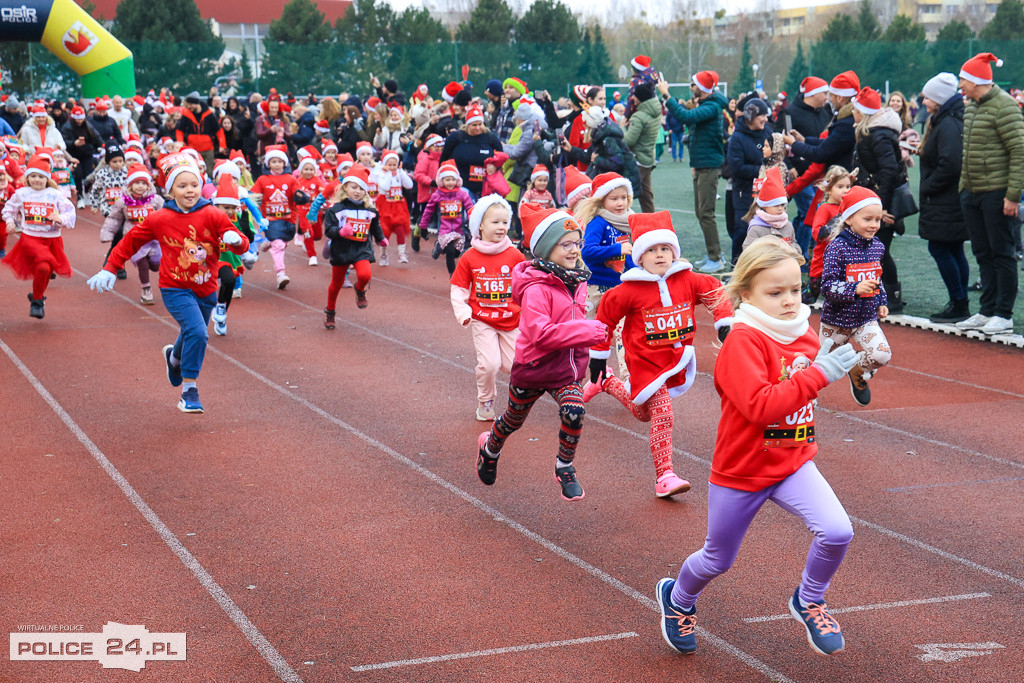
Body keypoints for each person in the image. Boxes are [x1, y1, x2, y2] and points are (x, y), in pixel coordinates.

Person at [655, 237, 860, 658]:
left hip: (793, 463)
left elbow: (809, 382)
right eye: (775, 292)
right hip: (742, 472)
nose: (789, 301)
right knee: (717, 559)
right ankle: (678, 599)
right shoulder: (743, 342)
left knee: (838, 530)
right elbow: (759, 407)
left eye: (795, 290)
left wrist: (855, 365)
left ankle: (809, 599)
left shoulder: (803, 332)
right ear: (745, 293)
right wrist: (820, 373)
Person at [584, 211, 734, 498]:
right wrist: (599, 355)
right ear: (639, 256)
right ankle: (665, 475)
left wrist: (724, 324)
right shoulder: (627, 291)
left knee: (643, 413)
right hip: (645, 362)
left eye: (665, 248)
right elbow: (604, 321)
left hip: (676, 360)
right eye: (651, 250)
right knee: (663, 414)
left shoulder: (688, 279)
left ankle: (606, 383)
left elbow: (716, 292)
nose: (660, 255)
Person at [87, 153, 250, 414]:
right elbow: (129, 242)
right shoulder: (159, 218)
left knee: (192, 331)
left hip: (207, 288)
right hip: (175, 288)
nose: (190, 190)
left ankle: (174, 357)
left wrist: (234, 238)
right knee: (198, 332)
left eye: (194, 185)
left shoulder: (214, 214)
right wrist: (109, 268)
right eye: (182, 186)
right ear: (170, 189)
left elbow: (243, 242)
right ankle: (189, 392)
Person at [475, 204, 608, 501]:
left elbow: (579, 324)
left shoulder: (578, 280)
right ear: (546, 250)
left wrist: (596, 350)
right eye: (566, 245)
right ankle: (490, 447)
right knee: (513, 420)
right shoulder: (537, 288)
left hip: (567, 371)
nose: (574, 251)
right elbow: (540, 333)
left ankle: (564, 466)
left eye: (578, 243)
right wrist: (589, 332)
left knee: (574, 411)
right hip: (534, 368)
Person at [956, 53, 1024, 336]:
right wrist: (963, 188)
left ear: (974, 81)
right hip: (972, 192)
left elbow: (1019, 151)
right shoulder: (971, 107)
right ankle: (986, 310)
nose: (960, 86)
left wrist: (1012, 196)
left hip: (997, 193)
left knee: (1002, 252)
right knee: (983, 251)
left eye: (963, 80)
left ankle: (1004, 314)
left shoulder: (1005, 107)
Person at [450, 196, 527, 421]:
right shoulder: (469, 257)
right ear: (480, 225)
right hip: (482, 319)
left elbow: (526, 285)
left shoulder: (515, 255)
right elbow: (458, 288)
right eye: (495, 222)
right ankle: (485, 402)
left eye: (505, 222)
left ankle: (516, 397)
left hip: (512, 319)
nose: (501, 227)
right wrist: (465, 314)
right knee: (489, 364)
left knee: (517, 365)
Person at [819, 186, 892, 406]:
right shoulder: (837, 248)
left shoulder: (878, 247)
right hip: (836, 320)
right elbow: (827, 287)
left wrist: (881, 301)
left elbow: (877, 279)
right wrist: (854, 289)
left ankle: (857, 370)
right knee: (820, 366)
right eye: (867, 218)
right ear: (849, 219)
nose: (874, 225)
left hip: (865, 318)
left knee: (882, 356)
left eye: (878, 219)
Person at [656, 71, 729, 273]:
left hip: (708, 166)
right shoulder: (708, 105)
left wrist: (667, 96)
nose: (691, 87)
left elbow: (684, 117)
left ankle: (716, 257)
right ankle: (713, 254)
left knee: (706, 213)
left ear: (703, 88)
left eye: (694, 84)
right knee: (701, 212)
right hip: (701, 164)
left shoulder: (711, 106)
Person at [916, 73, 970, 324]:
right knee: (952, 248)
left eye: (927, 96)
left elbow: (950, 164)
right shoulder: (947, 120)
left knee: (940, 247)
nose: (924, 101)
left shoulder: (947, 124)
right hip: (948, 199)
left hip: (944, 199)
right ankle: (959, 302)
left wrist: (928, 186)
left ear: (938, 98)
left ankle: (958, 301)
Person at [850, 86, 906, 313]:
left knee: (880, 250)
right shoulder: (873, 132)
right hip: (874, 198)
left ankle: (893, 297)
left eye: (855, 109)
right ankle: (885, 294)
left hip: (880, 201)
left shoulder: (878, 135)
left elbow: (889, 171)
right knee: (876, 249)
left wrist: (879, 208)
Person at [2, 156, 77, 319]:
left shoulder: (55, 194)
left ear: (47, 178)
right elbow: (9, 209)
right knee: (43, 267)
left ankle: (37, 296)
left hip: (53, 239)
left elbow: (69, 212)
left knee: (46, 271)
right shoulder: (22, 193)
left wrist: (60, 219)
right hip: (31, 238)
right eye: (33, 176)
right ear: (27, 177)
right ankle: (37, 302)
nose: (37, 180)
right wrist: (9, 221)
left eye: (41, 176)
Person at [578, 173, 635, 379]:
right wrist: (616, 249)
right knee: (589, 332)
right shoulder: (598, 222)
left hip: (621, 288)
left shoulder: (631, 220)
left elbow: (633, 254)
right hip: (596, 287)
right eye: (614, 198)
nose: (620, 203)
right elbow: (587, 252)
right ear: (602, 200)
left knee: (623, 331)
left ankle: (629, 377)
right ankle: (576, 372)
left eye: (623, 198)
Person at [322, 165, 386, 325]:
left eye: (361, 188)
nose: (357, 191)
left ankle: (359, 289)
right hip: (341, 249)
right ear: (345, 188)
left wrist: (380, 238)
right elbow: (329, 230)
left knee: (365, 275)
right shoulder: (336, 209)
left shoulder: (369, 210)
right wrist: (340, 232)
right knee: (336, 284)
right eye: (354, 187)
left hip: (361, 248)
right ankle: (330, 310)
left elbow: (375, 225)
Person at [100, 164, 164, 305]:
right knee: (143, 264)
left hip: (153, 239)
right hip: (133, 239)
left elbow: (166, 216)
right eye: (137, 183)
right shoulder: (122, 202)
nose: (140, 186)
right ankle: (146, 289)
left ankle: (154, 269)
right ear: (130, 185)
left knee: (155, 265)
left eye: (143, 183)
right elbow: (114, 218)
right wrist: (107, 233)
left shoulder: (156, 200)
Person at [783, 77, 833, 256]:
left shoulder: (826, 111)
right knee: (808, 212)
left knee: (807, 214)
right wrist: (789, 165)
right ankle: (801, 255)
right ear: (813, 94)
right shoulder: (790, 112)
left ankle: (794, 246)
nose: (827, 97)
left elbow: (823, 141)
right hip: (801, 172)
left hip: (820, 172)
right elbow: (783, 140)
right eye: (824, 93)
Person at [210, 173, 259, 336]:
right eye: (226, 207)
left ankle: (222, 309)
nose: (230, 211)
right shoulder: (208, 217)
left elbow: (249, 239)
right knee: (203, 290)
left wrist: (246, 229)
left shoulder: (239, 218)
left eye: (233, 207)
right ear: (216, 205)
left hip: (228, 259)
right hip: (207, 259)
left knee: (229, 281)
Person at [249, 144, 304, 289]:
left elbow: (298, 194)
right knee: (279, 244)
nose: (277, 164)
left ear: (284, 163)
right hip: (270, 220)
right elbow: (253, 196)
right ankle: (281, 274)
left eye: (280, 162)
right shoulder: (262, 180)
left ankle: (268, 242)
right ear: (268, 164)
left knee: (283, 241)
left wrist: (302, 197)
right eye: (273, 162)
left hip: (288, 219)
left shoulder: (291, 179)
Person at [728, 97, 773, 262]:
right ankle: (736, 266)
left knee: (767, 228)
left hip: (766, 191)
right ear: (751, 116)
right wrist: (763, 171)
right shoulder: (737, 138)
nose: (766, 119)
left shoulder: (767, 132)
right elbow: (737, 167)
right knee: (742, 228)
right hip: (743, 191)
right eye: (762, 115)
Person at [805, 165, 855, 304]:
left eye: (847, 186)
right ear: (829, 188)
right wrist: (837, 224)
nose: (845, 190)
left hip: (842, 260)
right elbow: (817, 233)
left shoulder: (848, 209)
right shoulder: (824, 208)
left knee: (839, 295)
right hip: (822, 260)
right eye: (840, 187)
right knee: (812, 294)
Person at [420, 160, 475, 275]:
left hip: (459, 230)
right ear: (441, 181)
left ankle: (438, 246)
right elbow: (428, 211)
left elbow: (471, 209)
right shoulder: (437, 195)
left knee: (456, 253)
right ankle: (452, 274)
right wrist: (423, 226)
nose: (450, 183)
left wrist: (474, 223)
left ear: (457, 180)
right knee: (449, 251)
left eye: (453, 180)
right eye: (447, 180)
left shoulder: (462, 194)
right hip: (444, 230)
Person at [441, 103, 502, 199]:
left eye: (480, 124)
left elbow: (501, 157)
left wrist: (495, 167)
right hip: (462, 187)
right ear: (468, 124)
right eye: (474, 125)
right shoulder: (456, 138)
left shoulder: (491, 138)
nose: (478, 128)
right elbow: (443, 160)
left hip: (486, 188)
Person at [623, 81, 662, 213]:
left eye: (634, 95)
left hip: (638, 160)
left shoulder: (639, 117)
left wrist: (622, 127)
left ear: (641, 97)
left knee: (625, 195)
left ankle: (624, 225)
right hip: (648, 158)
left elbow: (628, 141)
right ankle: (653, 224)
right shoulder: (655, 112)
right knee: (646, 196)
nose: (632, 98)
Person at [371, 150, 414, 265]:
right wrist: (389, 173)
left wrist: (401, 172)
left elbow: (409, 185)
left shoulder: (399, 173)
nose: (392, 167)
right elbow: (385, 187)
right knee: (385, 231)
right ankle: (383, 254)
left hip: (398, 205)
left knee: (400, 228)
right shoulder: (381, 174)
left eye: (394, 165)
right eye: (389, 164)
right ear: (384, 164)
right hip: (385, 205)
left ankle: (402, 253)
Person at [741, 166, 794, 250]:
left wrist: (794, 250)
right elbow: (748, 250)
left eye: (782, 205)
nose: (780, 208)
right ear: (764, 206)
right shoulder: (756, 228)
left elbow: (794, 243)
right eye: (776, 205)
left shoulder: (788, 225)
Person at [177, 92, 226, 171]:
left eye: (190, 104)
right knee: (194, 170)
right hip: (192, 149)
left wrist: (222, 145)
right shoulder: (186, 114)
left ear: (196, 103)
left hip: (208, 148)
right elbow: (180, 130)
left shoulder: (209, 114)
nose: (189, 106)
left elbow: (219, 130)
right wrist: (180, 141)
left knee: (210, 170)